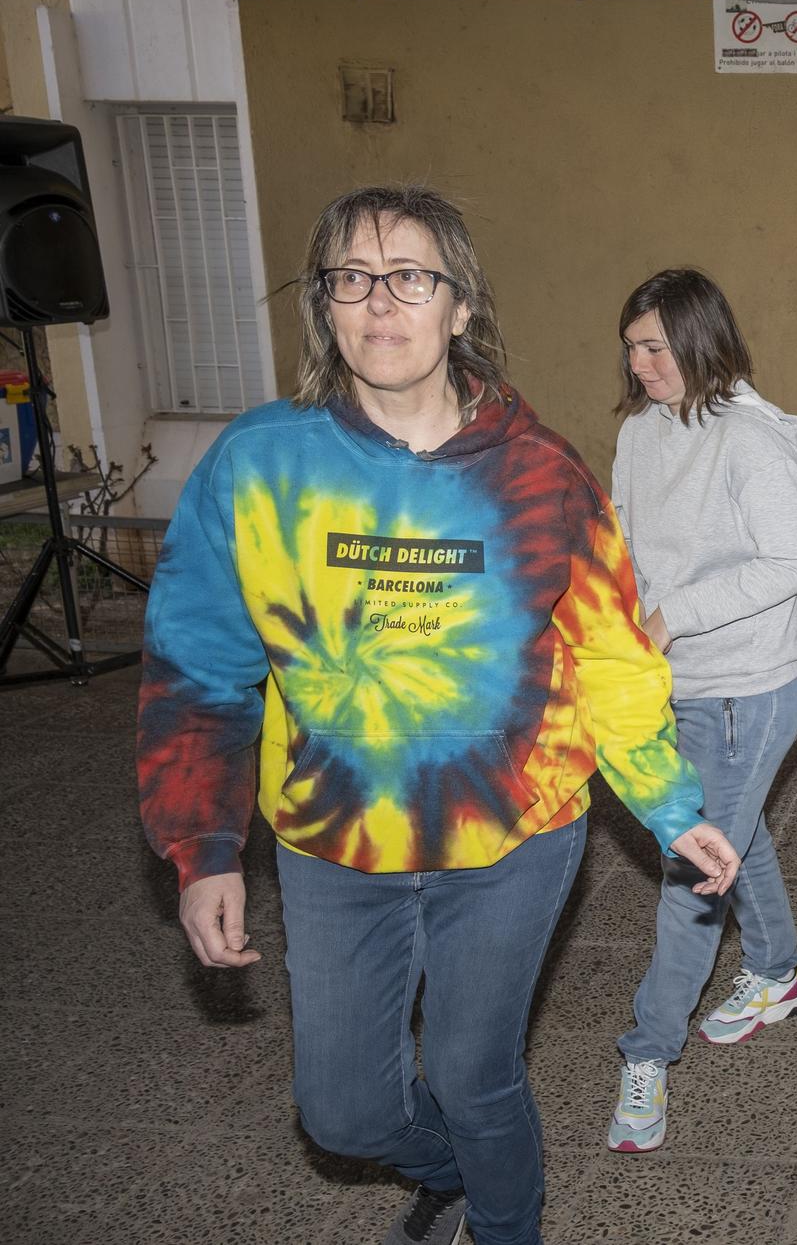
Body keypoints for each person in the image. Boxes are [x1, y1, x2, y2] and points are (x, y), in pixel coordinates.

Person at [137, 186, 740, 1245]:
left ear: (459, 305)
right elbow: (198, 666)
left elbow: (608, 651)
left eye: (410, 277)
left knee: (474, 1072)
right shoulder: (260, 463)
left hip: (512, 835)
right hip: (334, 840)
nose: (381, 304)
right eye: (352, 279)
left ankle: (506, 1220)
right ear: (325, 305)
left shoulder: (540, 472)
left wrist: (663, 795)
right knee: (342, 1110)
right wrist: (205, 847)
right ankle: (453, 1170)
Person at [604, 269, 797, 1154]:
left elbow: (790, 561)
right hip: (674, 683)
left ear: (699, 340)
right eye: (631, 349)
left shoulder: (751, 440)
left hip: (749, 687)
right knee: (733, 832)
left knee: (692, 865)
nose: (641, 363)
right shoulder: (637, 433)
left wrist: (670, 616)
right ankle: (776, 970)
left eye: (655, 346)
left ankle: (648, 1051)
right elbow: (623, 539)